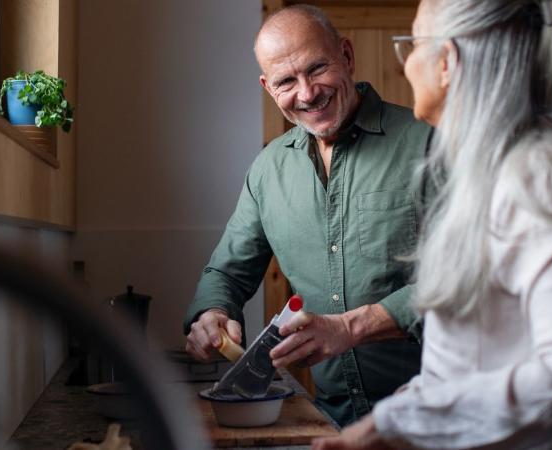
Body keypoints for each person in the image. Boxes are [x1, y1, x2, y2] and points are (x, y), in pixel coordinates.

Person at [312, 0, 552, 449]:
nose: (408, 63)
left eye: (412, 45)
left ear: (447, 62)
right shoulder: (503, 168)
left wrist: (393, 423)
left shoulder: (537, 176)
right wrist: (413, 405)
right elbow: (483, 357)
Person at [182, 5, 432, 426]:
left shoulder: (427, 144)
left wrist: (351, 327)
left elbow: (468, 281)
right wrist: (212, 315)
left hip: (436, 418)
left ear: (347, 57)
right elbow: (226, 273)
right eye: (285, 81)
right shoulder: (268, 170)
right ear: (267, 87)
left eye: (317, 68)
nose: (307, 93)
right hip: (331, 423)